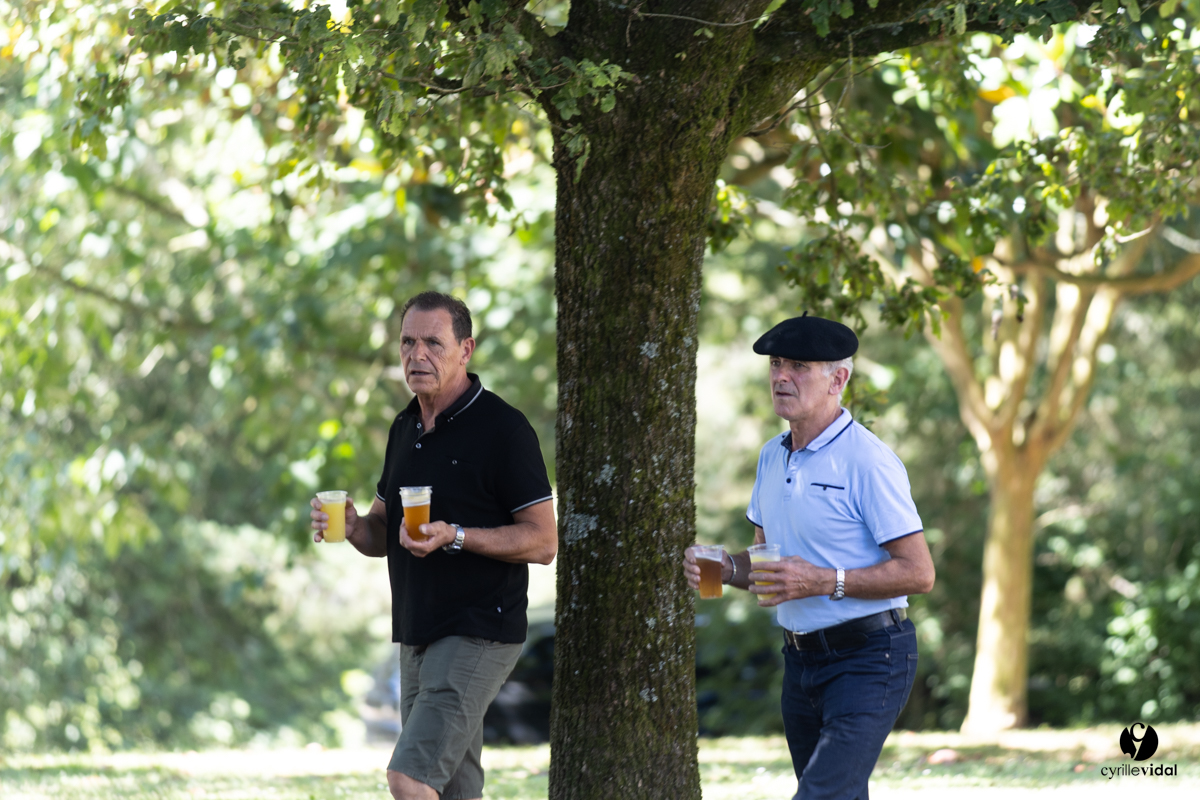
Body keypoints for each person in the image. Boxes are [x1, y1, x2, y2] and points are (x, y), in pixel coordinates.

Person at [311, 291, 556, 800]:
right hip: (417, 630)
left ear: (465, 350)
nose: (416, 355)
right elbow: (382, 529)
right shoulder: (404, 426)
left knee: (410, 778)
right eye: (407, 342)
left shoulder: (504, 430)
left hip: (478, 629)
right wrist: (355, 526)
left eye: (432, 343)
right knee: (453, 790)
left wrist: (457, 536)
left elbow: (543, 539)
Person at [684, 314, 935, 800]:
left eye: (798, 366)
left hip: (870, 658)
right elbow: (766, 565)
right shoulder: (771, 457)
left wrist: (823, 582)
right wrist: (714, 568)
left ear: (838, 379)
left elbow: (919, 573)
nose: (781, 376)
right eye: (776, 364)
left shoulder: (868, 461)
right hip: (800, 662)